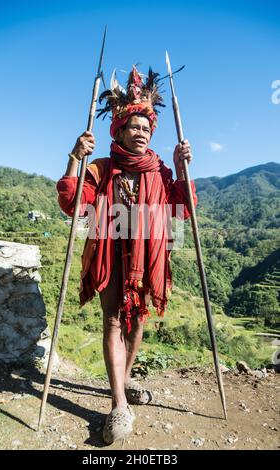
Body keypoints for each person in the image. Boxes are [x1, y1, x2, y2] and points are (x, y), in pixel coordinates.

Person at [56, 66, 198, 444]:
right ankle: (118, 403)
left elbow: (183, 209)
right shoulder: (101, 168)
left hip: (146, 256)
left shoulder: (160, 171)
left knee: (137, 322)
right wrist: (75, 157)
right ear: (117, 131)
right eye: (134, 127)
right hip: (109, 252)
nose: (142, 133)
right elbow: (72, 203)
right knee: (114, 322)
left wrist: (183, 169)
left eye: (147, 129)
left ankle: (124, 376)